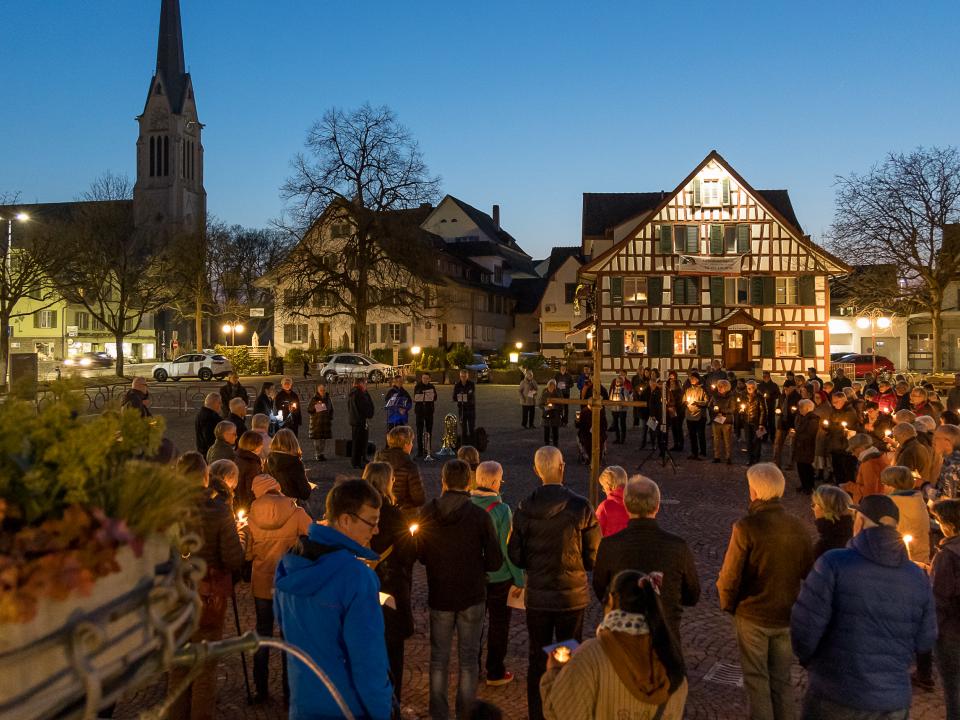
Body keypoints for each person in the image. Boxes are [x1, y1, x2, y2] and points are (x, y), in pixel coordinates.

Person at [791, 494, 936, 719]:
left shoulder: (834, 563)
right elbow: (925, 640)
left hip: (837, 692)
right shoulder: (917, 577)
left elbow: (805, 627)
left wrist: (813, 663)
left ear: (860, 521)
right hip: (892, 699)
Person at [274, 479, 393, 720]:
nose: (376, 530)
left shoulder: (288, 565)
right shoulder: (357, 577)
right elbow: (368, 662)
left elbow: (285, 628)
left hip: (303, 704)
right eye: (372, 522)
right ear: (346, 520)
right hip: (347, 708)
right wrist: (383, 711)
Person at [508, 446, 601, 720]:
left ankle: (537, 713)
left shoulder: (524, 507)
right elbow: (593, 557)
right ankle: (566, 712)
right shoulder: (581, 506)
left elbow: (515, 555)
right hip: (571, 597)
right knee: (569, 656)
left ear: (537, 471)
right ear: (562, 468)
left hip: (538, 596)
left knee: (537, 658)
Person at [717, 463, 814, 720]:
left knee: (757, 679)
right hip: (786, 614)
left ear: (755, 492)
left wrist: (728, 604)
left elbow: (731, 575)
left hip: (754, 614)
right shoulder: (798, 526)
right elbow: (809, 571)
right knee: (782, 680)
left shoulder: (746, 527)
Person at [540, 570, 689, 720]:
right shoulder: (673, 666)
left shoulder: (589, 658)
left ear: (611, 600)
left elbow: (561, 712)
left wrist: (553, 673)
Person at [417, 459, 503, 720]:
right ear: (469, 483)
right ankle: (466, 713)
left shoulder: (428, 512)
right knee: (468, 660)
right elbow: (495, 561)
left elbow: (421, 554)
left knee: (438, 658)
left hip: (440, 592)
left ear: (443, 481)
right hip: (472, 594)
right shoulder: (479, 516)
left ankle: (439, 714)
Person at [169, 452, 243, 720]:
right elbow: (233, 559)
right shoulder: (218, 510)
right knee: (204, 668)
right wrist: (241, 539)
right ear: (205, 476)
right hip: (206, 597)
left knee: (178, 666)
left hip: (172, 595)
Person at [592, 475, 700, 642]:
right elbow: (692, 594)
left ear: (626, 505)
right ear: (657, 506)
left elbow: (600, 588)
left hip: (622, 638)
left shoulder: (609, 545)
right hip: (665, 639)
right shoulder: (678, 546)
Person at [245, 473, 312, 704]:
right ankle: (289, 692)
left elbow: (248, 553)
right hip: (289, 581)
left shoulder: (252, 514)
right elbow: (313, 538)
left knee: (263, 633)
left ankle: (261, 689)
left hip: (263, 583)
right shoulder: (296, 512)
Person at [364, 462, 417, 706]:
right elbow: (408, 554)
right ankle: (391, 703)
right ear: (387, 482)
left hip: (362, 587)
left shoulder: (356, 511)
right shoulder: (394, 515)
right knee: (393, 651)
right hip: (390, 586)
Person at [470, 461, 525, 687]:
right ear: (494, 482)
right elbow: (507, 548)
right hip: (499, 577)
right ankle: (495, 671)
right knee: (499, 625)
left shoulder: (468, 506)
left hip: (474, 576)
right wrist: (519, 578)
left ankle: (471, 668)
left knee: (474, 624)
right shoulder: (502, 510)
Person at [931, 499, 960, 718]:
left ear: (949, 525)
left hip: (952, 632)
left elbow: (939, 598)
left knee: (954, 687)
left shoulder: (947, 555)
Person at [881, 465, 931, 564]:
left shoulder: (889, 504)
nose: (883, 487)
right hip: (921, 558)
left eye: (884, 484)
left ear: (891, 486)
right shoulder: (918, 500)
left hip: (899, 562)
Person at [375, 426, 426, 515]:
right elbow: (419, 498)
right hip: (405, 514)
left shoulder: (379, 462)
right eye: (411, 442)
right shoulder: (410, 466)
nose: (412, 445)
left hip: (382, 511)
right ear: (406, 445)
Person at [265, 428, 310, 502]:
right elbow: (305, 493)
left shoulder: (268, 459)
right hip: (290, 502)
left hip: (272, 501)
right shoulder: (295, 463)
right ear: (293, 443)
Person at [846, 432, 891, 503]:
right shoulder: (880, 457)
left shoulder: (869, 463)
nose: (852, 454)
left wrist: (849, 487)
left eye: (853, 450)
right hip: (879, 501)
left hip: (869, 504)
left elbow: (870, 491)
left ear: (861, 448)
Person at [811, 485, 854, 558]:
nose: (813, 508)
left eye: (814, 505)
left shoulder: (824, 549)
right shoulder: (856, 534)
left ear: (826, 510)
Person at [234, 430, 266, 512]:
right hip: (248, 506)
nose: (262, 446)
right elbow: (252, 489)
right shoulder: (252, 464)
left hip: (238, 502)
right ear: (255, 446)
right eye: (261, 444)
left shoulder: (238, 457)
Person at [892, 422, 932, 486]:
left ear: (903, 434)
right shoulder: (920, 446)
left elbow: (903, 476)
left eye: (895, 436)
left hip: (910, 488)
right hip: (920, 485)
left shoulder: (909, 451)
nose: (895, 439)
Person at [347, 378, 375, 469]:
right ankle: (358, 461)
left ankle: (360, 459)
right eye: (365, 383)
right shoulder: (359, 394)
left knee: (359, 441)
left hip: (356, 420)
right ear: (360, 384)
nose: (366, 385)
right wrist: (369, 413)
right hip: (360, 421)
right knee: (360, 442)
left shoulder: (354, 393)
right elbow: (364, 407)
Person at [595, 466, 629, 538]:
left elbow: (595, 535)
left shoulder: (605, 507)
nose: (604, 490)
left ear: (608, 486)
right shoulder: (637, 503)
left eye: (603, 487)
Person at [793, 399, 819, 494]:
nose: (799, 409)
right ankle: (804, 484)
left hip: (807, 447)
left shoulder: (813, 419)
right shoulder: (801, 417)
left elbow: (810, 434)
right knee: (800, 466)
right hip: (800, 446)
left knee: (807, 467)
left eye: (801, 407)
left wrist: (796, 435)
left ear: (807, 408)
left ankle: (809, 486)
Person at [682, 372, 708, 460]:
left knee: (700, 435)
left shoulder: (702, 389)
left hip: (700, 416)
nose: (691, 380)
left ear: (697, 379)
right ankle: (694, 452)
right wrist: (685, 402)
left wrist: (698, 403)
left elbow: (706, 402)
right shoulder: (688, 389)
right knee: (692, 435)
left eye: (693, 378)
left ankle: (702, 452)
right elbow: (684, 399)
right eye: (690, 378)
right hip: (689, 415)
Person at [740, 380, 767, 466]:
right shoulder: (744, 396)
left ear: (755, 388)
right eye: (748, 387)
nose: (749, 389)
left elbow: (763, 411)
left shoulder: (759, 397)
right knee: (748, 440)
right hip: (747, 422)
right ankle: (749, 458)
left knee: (757, 440)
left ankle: (756, 458)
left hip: (757, 422)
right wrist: (741, 411)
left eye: (751, 387)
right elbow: (741, 406)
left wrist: (761, 424)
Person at [772, 381, 798, 469]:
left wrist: (795, 411)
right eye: (784, 388)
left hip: (792, 423)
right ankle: (776, 463)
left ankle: (791, 464)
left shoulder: (797, 397)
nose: (785, 390)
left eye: (787, 388)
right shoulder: (782, 396)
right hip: (782, 422)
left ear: (793, 387)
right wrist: (778, 410)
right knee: (777, 443)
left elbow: (799, 411)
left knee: (792, 445)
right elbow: (779, 406)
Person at [305, 382, 333, 461]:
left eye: (323, 390)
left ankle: (322, 453)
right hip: (316, 423)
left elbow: (331, 409)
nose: (322, 391)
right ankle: (317, 454)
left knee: (323, 439)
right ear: (318, 390)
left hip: (325, 422)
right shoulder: (314, 399)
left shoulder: (328, 398)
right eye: (321, 390)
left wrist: (330, 417)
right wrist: (316, 406)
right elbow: (309, 410)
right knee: (317, 439)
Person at [711, 379, 737, 464]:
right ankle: (717, 456)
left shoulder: (731, 397)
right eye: (718, 386)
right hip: (716, 420)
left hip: (726, 421)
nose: (719, 388)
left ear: (726, 387)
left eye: (721, 386)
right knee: (716, 439)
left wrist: (721, 410)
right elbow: (710, 405)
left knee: (727, 439)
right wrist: (714, 409)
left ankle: (728, 457)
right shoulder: (714, 396)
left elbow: (732, 409)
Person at [413, 372, 438, 457]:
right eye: (423, 378)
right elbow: (415, 397)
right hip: (419, 411)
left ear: (429, 379)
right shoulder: (417, 386)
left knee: (429, 431)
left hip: (429, 411)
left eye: (427, 378)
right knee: (419, 431)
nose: (425, 380)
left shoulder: (432, 386)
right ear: (421, 378)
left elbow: (435, 397)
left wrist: (432, 395)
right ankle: (420, 450)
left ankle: (428, 449)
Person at [936, 423, 960, 498]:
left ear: (947, 443)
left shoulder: (951, 464)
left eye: (937, 438)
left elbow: (948, 499)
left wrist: (924, 486)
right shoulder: (951, 460)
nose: (933, 442)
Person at [454, 369, 477, 444]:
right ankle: (464, 446)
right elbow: (454, 397)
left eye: (464, 376)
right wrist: (463, 395)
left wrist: (462, 395)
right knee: (463, 429)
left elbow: (471, 395)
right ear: (460, 376)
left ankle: (473, 446)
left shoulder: (471, 384)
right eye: (462, 376)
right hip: (462, 409)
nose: (463, 378)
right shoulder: (457, 385)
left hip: (471, 409)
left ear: (467, 376)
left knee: (471, 428)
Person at [758, 371, 780, 442]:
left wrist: (770, 396)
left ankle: (773, 438)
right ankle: (763, 437)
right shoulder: (760, 385)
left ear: (769, 376)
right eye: (763, 376)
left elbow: (778, 395)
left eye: (766, 376)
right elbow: (757, 394)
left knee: (771, 422)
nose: (764, 377)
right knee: (762, 422)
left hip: (771, 406)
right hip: (762, 406)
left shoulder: (774, 385)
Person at [539, 379, 562, 447]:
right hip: (546, 415)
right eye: (550, 386)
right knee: (546, 430)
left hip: (555, 415)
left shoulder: (558, 394)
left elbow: (561, 405)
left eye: (553, 386)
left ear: (555, 387)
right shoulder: (544, 394)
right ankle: (546, 444)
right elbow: (540, 405)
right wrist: (545, 407)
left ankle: (555, 444)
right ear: (548, 386)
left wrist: (555, 407)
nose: (551, 387)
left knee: (555, 430)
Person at [609, 375, 629, 444]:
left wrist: (623, 405)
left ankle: (622, 439)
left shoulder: (624, 390)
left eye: (619, 381)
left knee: (622, 424)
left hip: (622, 410)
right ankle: (617, 438)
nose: (618, 382)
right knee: (616, 424)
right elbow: (610, 398)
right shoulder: (613, 390)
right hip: (614, 409)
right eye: (617, 381)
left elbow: (627, 400)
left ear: (622, 382)